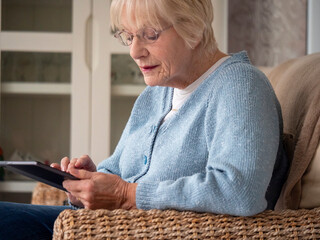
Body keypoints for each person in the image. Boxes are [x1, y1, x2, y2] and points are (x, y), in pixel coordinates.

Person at [0, 0, 289, 239]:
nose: (135, 52)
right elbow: (119, 172)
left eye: (150, 34)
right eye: (128, 36)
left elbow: (240, 191)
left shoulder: (240, 85)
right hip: (111, 229)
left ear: (194, 28)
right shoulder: (156, 94)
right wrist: (88, 184)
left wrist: (128, 194)